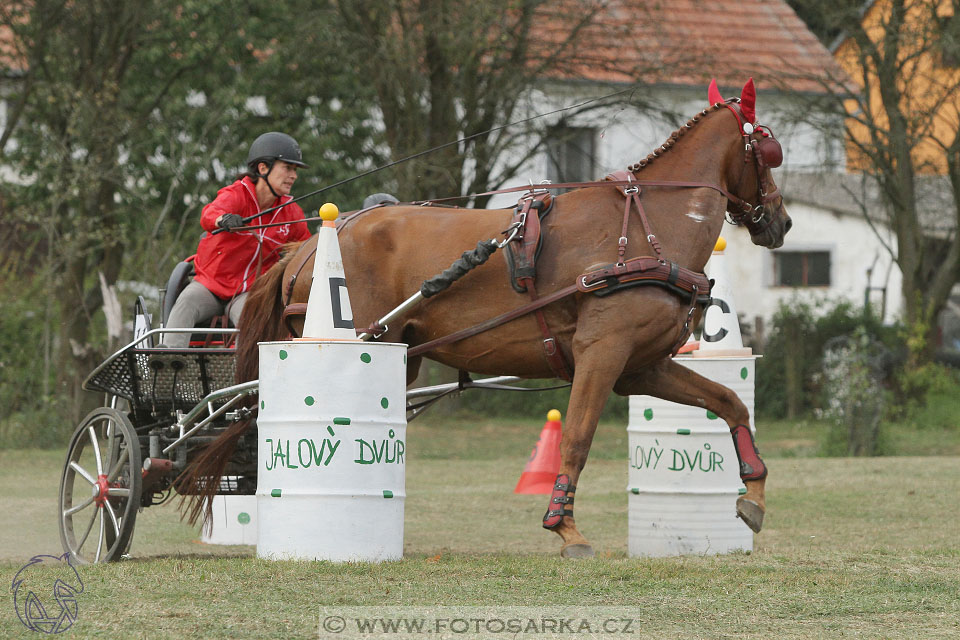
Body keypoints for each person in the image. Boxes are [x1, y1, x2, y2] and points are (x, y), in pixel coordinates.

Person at [163, 132, 311, 347]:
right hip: (210, 286)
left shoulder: (292, 212)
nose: (294, 175)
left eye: (295, 170)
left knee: (252, 321)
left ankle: (246, 375)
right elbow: (208, 214)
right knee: (186, 302)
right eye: (288, 168)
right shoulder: (237, 194)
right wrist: (224, 219)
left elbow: (306, 247)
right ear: (263, 168)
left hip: (249, 292)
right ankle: (167, 362)